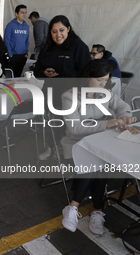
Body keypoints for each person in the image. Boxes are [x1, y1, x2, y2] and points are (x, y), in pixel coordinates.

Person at [60, 59, 136, 235]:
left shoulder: (104, 93)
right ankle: (96, 209)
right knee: (96, 162)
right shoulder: (70, 96)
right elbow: (74, 128)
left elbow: (122, 105)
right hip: (75, 143)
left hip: (98, 141)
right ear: (87, 78)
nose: (103, 84)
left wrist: (125, 116)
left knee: (98, 160)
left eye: (105, 80)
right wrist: (106, 124)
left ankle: (75, 207)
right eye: (99, 80)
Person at [33, 15, 91, 160]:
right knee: (52, 124)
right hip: (50, 94)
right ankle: (51, 148)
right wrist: (44, 73)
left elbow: (87, 74)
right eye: (54, 31)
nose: (58, 35)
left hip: (71, 96)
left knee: (70, 127)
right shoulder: (48, 46)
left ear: (68, 29)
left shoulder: (79, 46)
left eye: (61, 30)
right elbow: (36, 71)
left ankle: (73, 156)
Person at [4, 4, 29, 77]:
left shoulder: (26, 26)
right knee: (10, 77)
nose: (24, 14)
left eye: (25, 12)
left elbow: (27, 41)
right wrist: (10, 53)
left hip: (22, 55)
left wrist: (26, 52)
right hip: (13, 56)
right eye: (22, 12)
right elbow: (6, 40)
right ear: (16, 14)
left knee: (18, 76)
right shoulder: (10, 25)